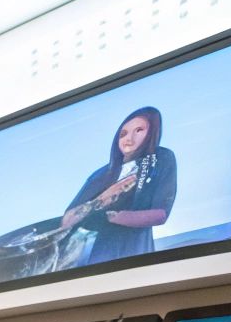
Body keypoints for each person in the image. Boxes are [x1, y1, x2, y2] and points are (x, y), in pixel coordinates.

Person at [58, 106, 178, 266]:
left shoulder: (161, 158)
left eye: (139, 130)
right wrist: (105, 197)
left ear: (152, 132)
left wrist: (111, 217)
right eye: (124, 133)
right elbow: (67, 221)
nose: (129, 138)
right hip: (93, 261)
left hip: (134, 257)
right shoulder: (100, 174)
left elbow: (160, 214)